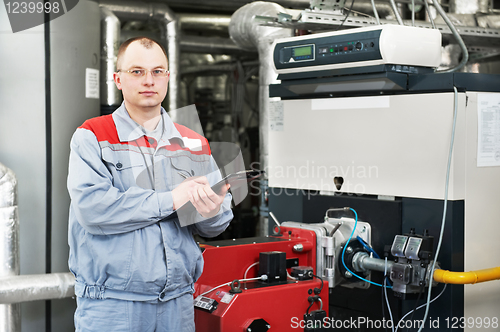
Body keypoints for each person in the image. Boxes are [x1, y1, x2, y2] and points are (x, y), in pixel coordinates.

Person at [67, 37, 233, 331]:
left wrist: (213, 210)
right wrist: (172, 199)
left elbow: (214, 227)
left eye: (158, 71)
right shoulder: (92, 135)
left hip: (178, 304)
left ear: (168, 77)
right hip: (113, 306)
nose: (149, 80)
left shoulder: (193, 142)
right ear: (118, 79)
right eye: (137, 71)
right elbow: (93, 210)